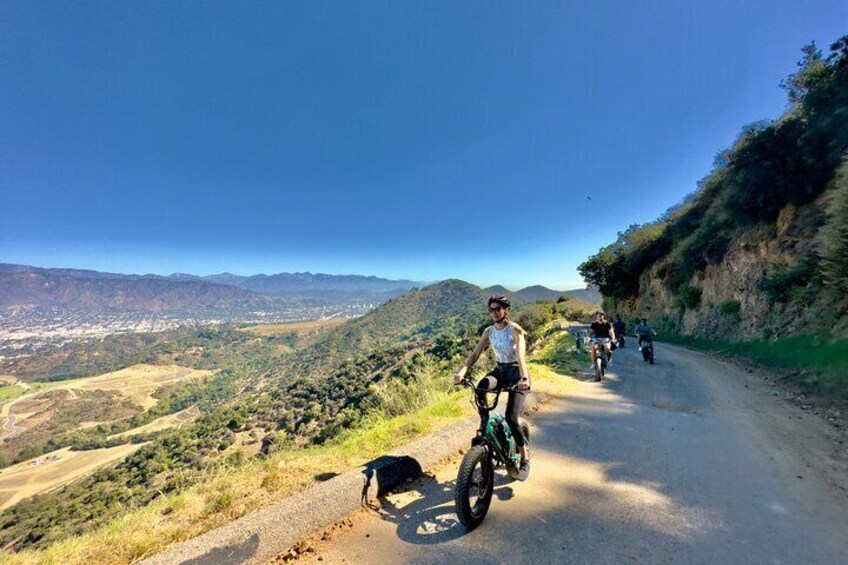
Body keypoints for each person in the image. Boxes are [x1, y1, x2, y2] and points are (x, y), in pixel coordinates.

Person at [453, 295, 531, 476]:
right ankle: (484, 425)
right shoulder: (489, 331)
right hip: (500, 371)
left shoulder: (515, 330)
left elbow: (520, 356)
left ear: (506, 310)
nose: (494, 313)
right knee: (480, 387)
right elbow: (475, 354)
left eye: (498, 309)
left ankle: (524, 456)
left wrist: (524, 378)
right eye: (491, 310)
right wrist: (462, 371)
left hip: (516, 372)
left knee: (511, 418)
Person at [588, 311, 616, 379]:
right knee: (593, 348)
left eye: (601, 315)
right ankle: (593, 363)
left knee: (607, 348)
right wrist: (588, 338)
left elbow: (611, 332)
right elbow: (590, 332)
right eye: (598, 315)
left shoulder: (607, 323)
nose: (600, 316)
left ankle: (609, 360)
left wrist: (613, 338)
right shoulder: (594, 324)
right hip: (596, 339)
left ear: (603, 316)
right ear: (596, 316)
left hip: (606, 339)